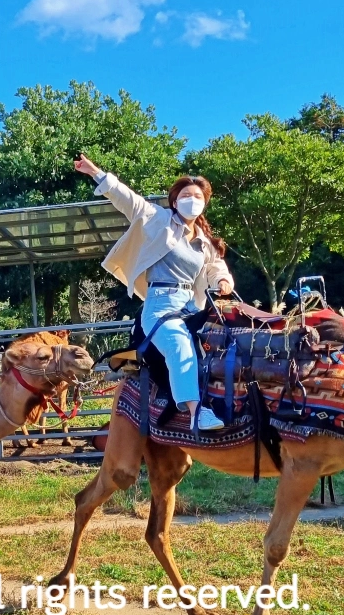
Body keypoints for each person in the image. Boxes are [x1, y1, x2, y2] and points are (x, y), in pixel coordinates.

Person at [74, 154, 234, 432]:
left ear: (205, 203)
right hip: (161, 306)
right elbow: (129, 200)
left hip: (192, 307)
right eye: (186, 195)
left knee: (228, 343)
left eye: (197, 196)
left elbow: (216, 267)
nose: (192, 200)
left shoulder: (204, 241)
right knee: (178, 344)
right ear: (175, 201)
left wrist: (223, 281)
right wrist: (95, 172)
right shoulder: (158, 220)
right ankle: (196, 414)